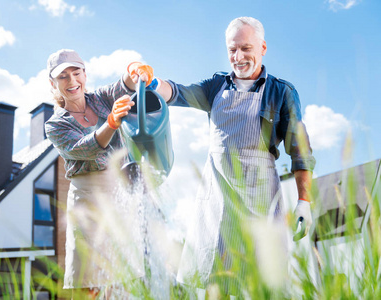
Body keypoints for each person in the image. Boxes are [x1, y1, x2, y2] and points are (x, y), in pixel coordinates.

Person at [161, 17, 316, 295]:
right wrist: (151, 82)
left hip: (260, 197)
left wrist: (304, 202)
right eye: (232, 49)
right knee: (214, 282)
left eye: (246, 48)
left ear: (263, 47)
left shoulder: (281, 92)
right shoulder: (215, 86)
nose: (239, 56)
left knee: (257, 283)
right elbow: (179, 93)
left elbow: (300, 152)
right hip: (216, 197)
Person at [44, 49, 174, 298]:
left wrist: (135, 69)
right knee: (91, 282)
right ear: (53, 83)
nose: (72, 81)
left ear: (84, 73)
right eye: (63, 77)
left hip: (121, 194)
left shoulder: (101, 98)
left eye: (76, 72)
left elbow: (125, 83)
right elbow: (83, 149)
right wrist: (111, 123)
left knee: (125, 277)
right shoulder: (55, 125)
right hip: (89, 202)